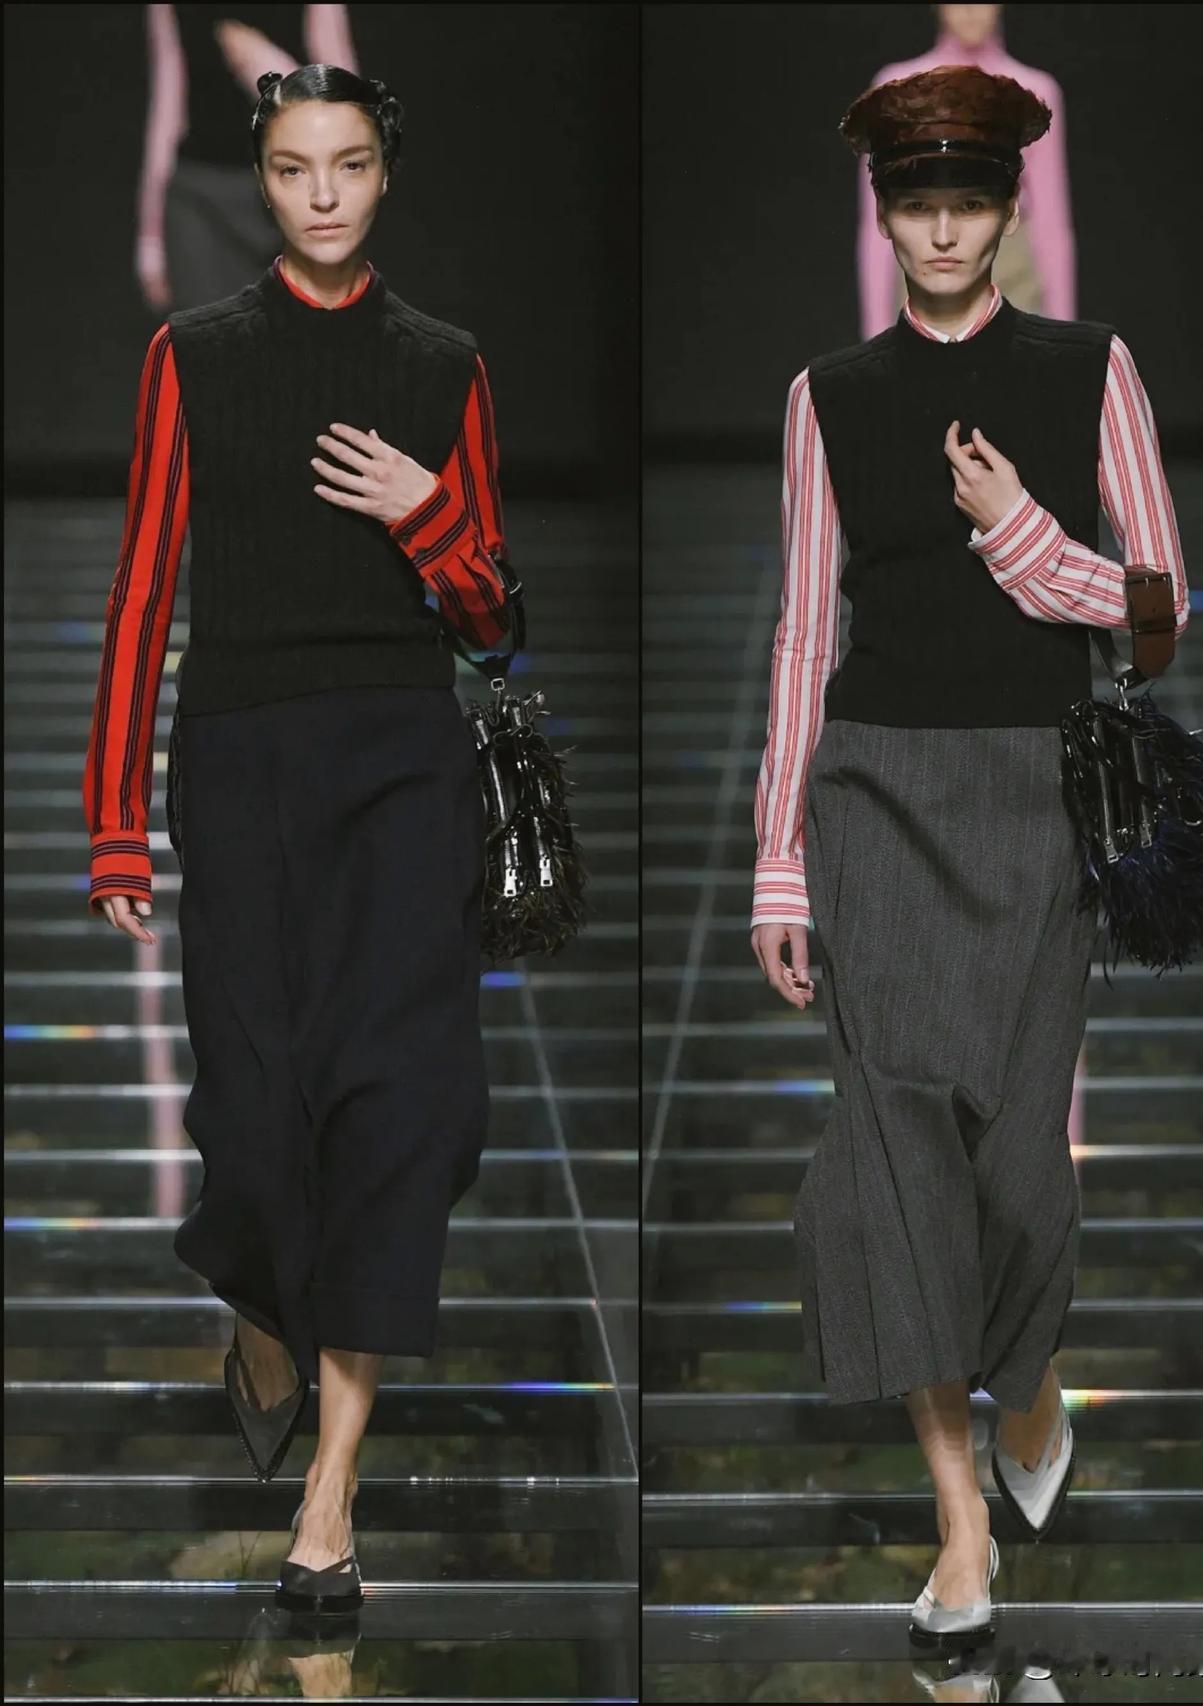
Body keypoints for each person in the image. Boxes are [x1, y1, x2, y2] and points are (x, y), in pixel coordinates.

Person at [750, 63, 1189, 1648]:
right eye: (916, 201)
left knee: (1019, 1172)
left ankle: (1031, 1372)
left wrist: (1021, 536)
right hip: (875, 793)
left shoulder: (1090, 369)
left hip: (1034, 794)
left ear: (1008, 211)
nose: (941, 228)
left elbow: (1159, 609)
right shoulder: (829, 394)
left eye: (968, 201)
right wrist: (781, 855)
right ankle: (959, 1525)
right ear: (883, 215)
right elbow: (806, 631)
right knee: (896, 1155)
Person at [83, 64, 513, 1613]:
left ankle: (330, 1497)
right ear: (260, 182)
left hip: (402, 767)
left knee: (398, 1117)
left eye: (347, 165)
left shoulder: (444, 364)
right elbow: (145, 583)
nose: (322, 194)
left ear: (385, 177)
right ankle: (264, 1304)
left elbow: (496, 619)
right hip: (246, 767)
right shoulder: (194, 354)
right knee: (259, 1127)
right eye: (290, 167)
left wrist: (424, 510)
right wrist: (115, 822)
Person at [857, 3, 1076, 338]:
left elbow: (1051, 221)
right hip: (923, 262)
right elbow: (877, 219)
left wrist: (1064, 336)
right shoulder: (898, 90)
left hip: (1011, 269)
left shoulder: (1034, 93)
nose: (970, 9)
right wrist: (875, 336)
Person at [138, 5, 361, 314]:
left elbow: (350, 114)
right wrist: (150, 235)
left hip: (286, 201)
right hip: (200, 197)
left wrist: (276, 75)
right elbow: (167, 103)